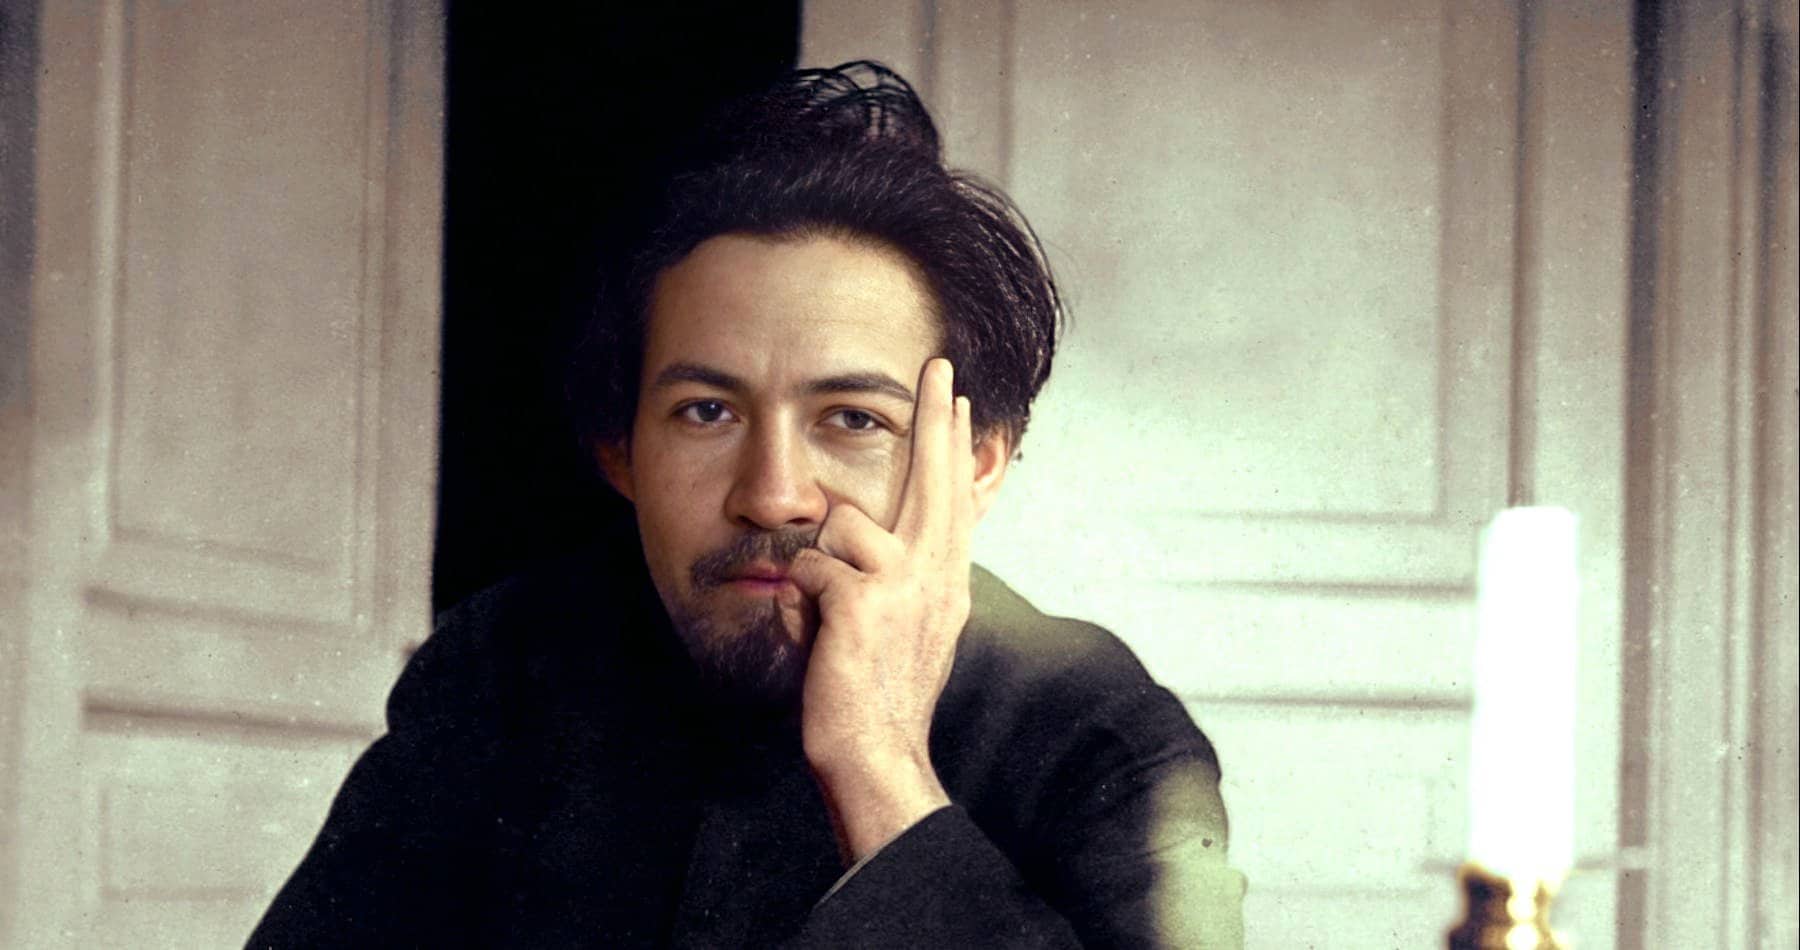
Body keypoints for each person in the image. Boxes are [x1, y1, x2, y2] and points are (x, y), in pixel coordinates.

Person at [249, 61, 1246, 948]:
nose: (771, 490)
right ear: (619, 450)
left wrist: (881, 771)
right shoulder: (502, 665)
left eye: (853, 418)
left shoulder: (1097, 729)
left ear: (979, 460)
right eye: (707, 408)